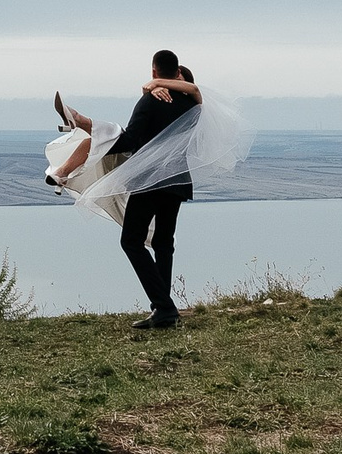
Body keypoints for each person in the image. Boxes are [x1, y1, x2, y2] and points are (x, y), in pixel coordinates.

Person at [43, 50, 251, 330]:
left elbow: (131, 140)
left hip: (149, 180)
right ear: (177, 73)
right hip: (176, 182)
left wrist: (102, 137)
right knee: (164, 244)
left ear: (154, 71)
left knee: (131, 241)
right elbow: (194, 91)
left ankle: (164, 307)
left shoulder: (150, 101)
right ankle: (163, 311)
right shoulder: (193, 106)